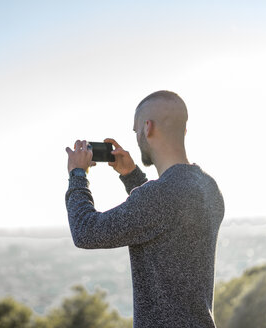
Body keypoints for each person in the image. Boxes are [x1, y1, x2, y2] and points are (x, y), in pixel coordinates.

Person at [64, 90, 225, 328]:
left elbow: (85, 231)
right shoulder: (208, 187)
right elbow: (164, 220)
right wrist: (131, 175)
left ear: (147, 128)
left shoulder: (160, 196)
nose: (137, 136)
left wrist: (77, 174)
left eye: (136, 130)